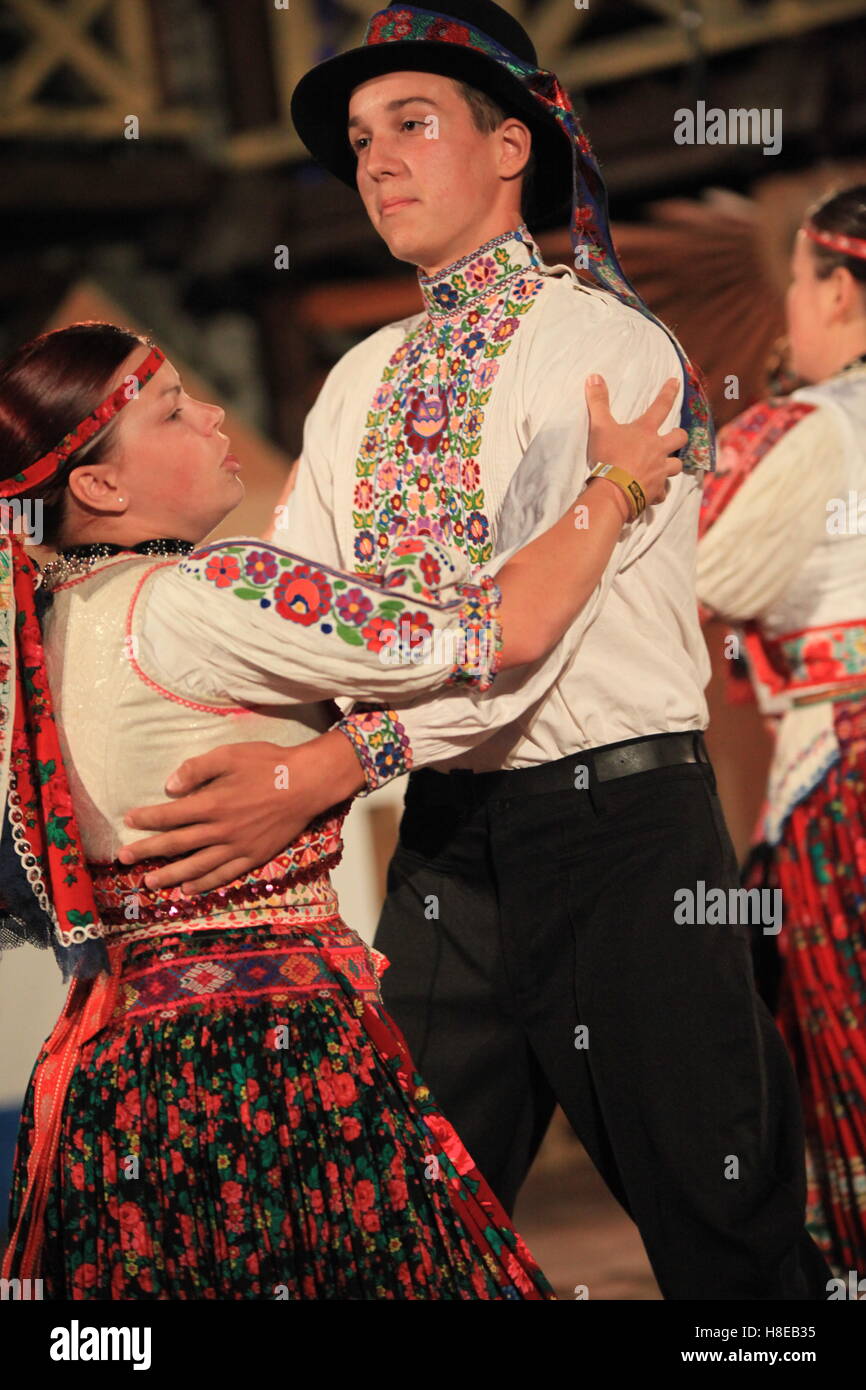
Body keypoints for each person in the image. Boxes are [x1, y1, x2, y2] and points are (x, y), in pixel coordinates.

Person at [115, 1, 832, 1298]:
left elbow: (529, 624)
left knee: (728, 1240)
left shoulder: (603, 344)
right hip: (449, 843)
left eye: (410, 123)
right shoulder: (356, 380)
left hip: (619, 834)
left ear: (510, 147)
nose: (375, 158)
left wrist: (338, 762)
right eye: (356, 137)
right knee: (392, 1228)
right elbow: (302, 608)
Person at [0, 321, 682, 1299]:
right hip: (271, 1058)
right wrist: (612, 487)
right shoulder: (214, 589)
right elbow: (504, 629)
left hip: (129, 1084)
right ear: (100, 487)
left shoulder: (39, 645)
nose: (214, 414)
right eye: (172, 409)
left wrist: (335, 759)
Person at [696, 184, 866, 1279]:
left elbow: (691, 586)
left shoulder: (811, 428)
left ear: (841, 288)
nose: (783, 317)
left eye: (795, 285)